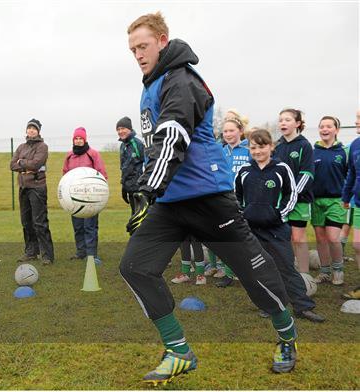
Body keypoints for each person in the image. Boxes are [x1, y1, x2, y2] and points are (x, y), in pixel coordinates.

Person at [120, 12, 298, 385]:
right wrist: (150, 192)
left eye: (143, 46)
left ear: (163, 41)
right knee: (135, 266)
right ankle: (179, 351)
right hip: (171, 203)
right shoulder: (149, 84)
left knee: (254, 275)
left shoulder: (182, 80)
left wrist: (148, 188)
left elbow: (173, 137)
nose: (137, 54)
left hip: (209, 199)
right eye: (132, 48)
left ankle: (286, 337)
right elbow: (155, 146)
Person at [236, 129, 325, 322]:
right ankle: (271, 306)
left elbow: (291, 195)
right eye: (253, 147)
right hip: (252, 231)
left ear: (271, 147)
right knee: (260, 270)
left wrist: (278, 215)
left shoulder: (282, 169)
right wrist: (244, 215)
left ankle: (303, 307)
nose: (257, 151)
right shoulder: (244, 171)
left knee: (286, 268)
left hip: (276, 230)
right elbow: (237, 197)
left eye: (261, 146)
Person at [273, 109, 313, 274]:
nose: (283, 123)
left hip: (300, 200)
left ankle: (304, 275)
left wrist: (292, 194)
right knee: (285, 238)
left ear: (297, 123)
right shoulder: (277, 146)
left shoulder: (304, 145)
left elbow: (307, 174)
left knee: (298, 238)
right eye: (281, 120)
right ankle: (290, 272)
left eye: (287, 119)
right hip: (281, 202)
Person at [10, 119, 54, 265]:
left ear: (38, 131)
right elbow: (11, 165)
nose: (31, 130)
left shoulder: (42, 147)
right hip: (23, 188)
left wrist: (21, 163)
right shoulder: (21, 147)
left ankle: (47, 255)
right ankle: (31, 252)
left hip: (37, 188)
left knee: (39, 222)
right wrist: (25, 166)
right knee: (26, 222)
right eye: (29, 128)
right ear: (26, 130)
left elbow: (36, 164)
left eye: (34, 128)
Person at [214, 115, 250, 287]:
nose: (228, 134)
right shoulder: (221, 151)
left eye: (231, 130)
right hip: (224, 200)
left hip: (245, 200)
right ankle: (229, 273)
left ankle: (248, 272)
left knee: (245, 236)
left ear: (240, 132)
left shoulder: (249, 150)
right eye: (225, 131)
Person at [63, 127, 108, 264]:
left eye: (80, 138)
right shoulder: (69, 155)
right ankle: (80, 252)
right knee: (78, 226)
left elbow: (101, 173)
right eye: (76, 138)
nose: (78, 141)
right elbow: (65, 174)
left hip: (90, 199)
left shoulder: (93, 154)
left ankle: (91, 254)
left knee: (90, 226)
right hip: (74, 199)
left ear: (85, 139)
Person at [312, 116, 348, 286]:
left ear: (336, 130)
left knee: (333, 237)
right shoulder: (313, 152)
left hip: (336, 200)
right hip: (316, 200)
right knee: (320, 238)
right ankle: (325, 271)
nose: (324, 129)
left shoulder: (344, 152)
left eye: (328, 126)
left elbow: (351, 175)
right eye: (322, 126)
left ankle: (338, 269)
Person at [341, 109, 360, 299]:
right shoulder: (355, 145)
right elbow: (352, 174)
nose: (356, 122)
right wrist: (346, 197)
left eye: (359, 119)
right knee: (357, 245)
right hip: (358, 203)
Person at [117, 116, 145, 214]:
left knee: (140, 219)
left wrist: (143, 187)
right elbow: (124, 168)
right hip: (130, 189)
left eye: (123, 128)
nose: (120, 131)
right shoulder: (122, 146)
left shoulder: (137, 144)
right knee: (134, 217)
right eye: (118, 129)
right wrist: (124, 187)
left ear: (130, 129)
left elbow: (146, 163)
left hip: (139, 189)